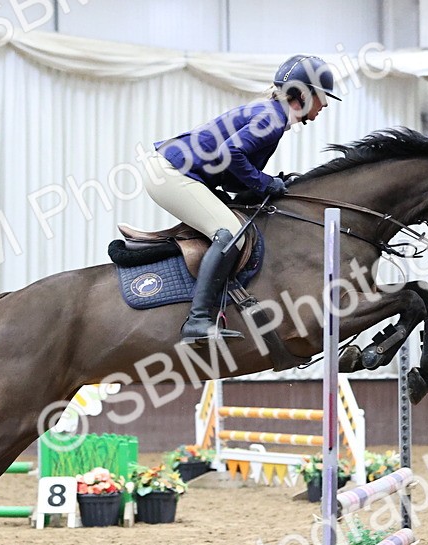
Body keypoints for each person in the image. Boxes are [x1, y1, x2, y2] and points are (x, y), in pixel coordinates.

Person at [142, 55, 341, 345]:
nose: (324, 105)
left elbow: (231, 165)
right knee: (230, 233)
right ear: (303, 94)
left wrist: (266, 184)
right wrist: (265, 183)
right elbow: (230, 154)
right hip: (172, 173)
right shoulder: (273, 118)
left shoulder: (272, 114)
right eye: (322, 97)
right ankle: (197, 320)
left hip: (176, 170)